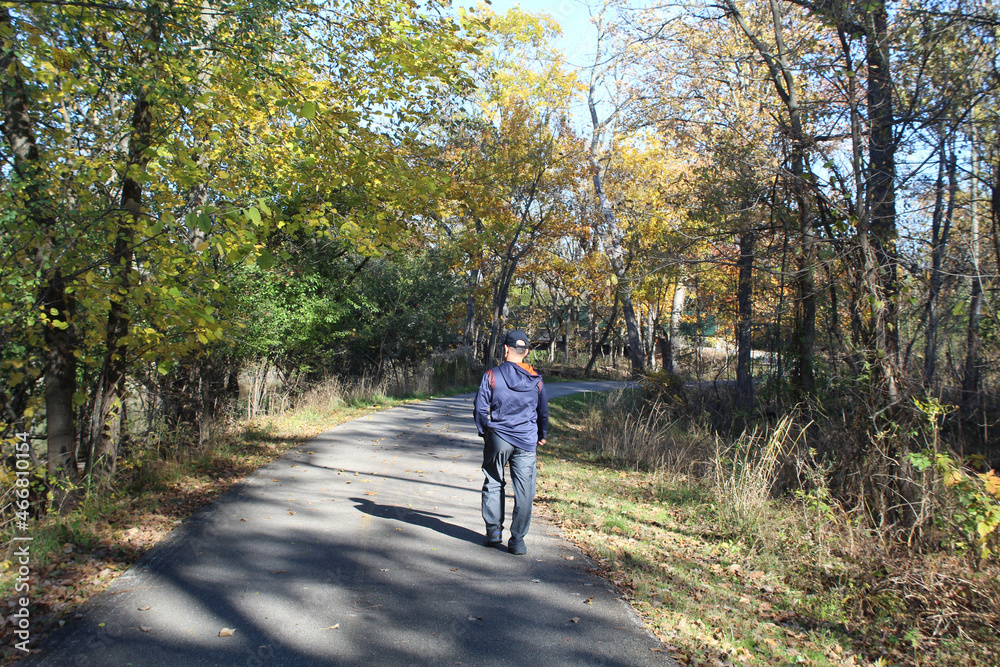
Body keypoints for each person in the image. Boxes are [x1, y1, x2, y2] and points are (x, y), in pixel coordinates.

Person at [474, 330, 549, 555]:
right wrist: (541, 434)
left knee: (494, 480)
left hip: (498, 437)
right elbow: (543, 410)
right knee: (525, 490)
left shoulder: (492, 375)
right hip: (527, 440)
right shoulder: (536, 379)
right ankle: (517, 541)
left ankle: (494, 531)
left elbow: (479, 408)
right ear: (525, 352)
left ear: (505, 349)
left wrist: (484, 430)